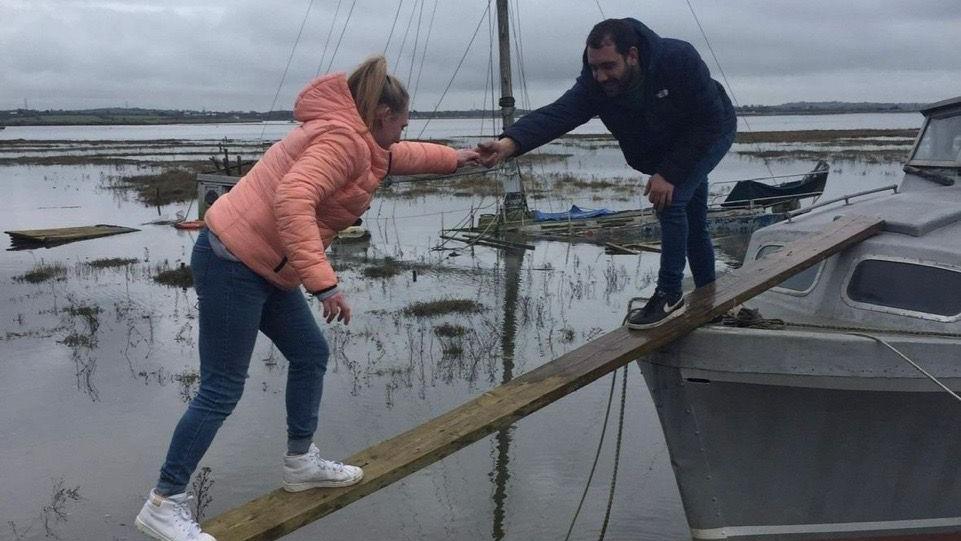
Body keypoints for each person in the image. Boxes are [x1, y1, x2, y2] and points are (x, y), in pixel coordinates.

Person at [135, 56, 479, 541]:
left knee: (310, 353)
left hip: (265, 266)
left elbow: (400, 156)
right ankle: (163, 503)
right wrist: (325, 283)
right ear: (382, 114)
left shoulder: (363, 143)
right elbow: (293, 199)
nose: (407, 125)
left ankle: (299, 464)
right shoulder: (341, 140)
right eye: (405, 117)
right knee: (221, 387)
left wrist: (457, 158)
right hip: (232, 260)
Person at [477, 18, 736, 329]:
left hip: (709, 130)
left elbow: (708, 120)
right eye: (594, 67)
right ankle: (711, 300)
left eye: (608, 66)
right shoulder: (594, 83)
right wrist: (509, 143)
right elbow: (559, 114)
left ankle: (669, 295)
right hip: (668, 146)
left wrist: (668, 174)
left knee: (671, 200)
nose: (601, 76)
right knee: (693, 222)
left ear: (632, 55)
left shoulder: (677, 59)